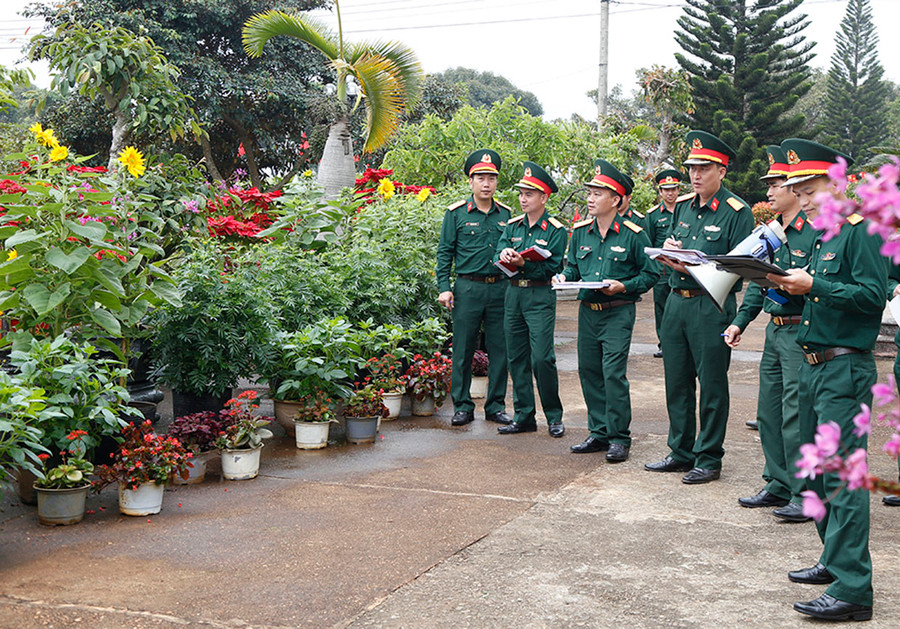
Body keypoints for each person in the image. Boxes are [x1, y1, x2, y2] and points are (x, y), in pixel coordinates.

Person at [772, 138, 884, 622]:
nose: (804, 200)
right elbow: (823, 296)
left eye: (810, 190)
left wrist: (814, 284)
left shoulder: (861, 232)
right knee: (816, 474)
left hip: (845, 368)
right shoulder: (825, 235)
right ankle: (834, 561)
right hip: (815, 365)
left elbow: (872, 296)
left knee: (840, 478)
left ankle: (854, 590)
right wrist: (782, 282)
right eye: (798, 191)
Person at [644, 130, 754, 484]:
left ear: (721, 171)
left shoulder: (737, 212)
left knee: (712, 385)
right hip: (676, 301)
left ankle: (708, 457)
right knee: (676, 381)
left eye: (704, 168)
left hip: (711, 307)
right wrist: (672, 251)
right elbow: (677, 245)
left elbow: (739, 269)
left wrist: (694, 266)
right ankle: (680, 450)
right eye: (692, 168)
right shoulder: (683, 206)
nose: (695, 174)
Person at [722, 146, 816, 522]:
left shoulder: (814, 232)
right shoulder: (770, 233)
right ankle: (778, 481)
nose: (769, 192)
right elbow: (757, 283)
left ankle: (804, 492)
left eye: (776, 185)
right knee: (769, 411)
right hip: (775, 332)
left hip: (800, 332)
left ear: (795, 189)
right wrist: (740, 321)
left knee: (796, 413)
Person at [555, 159, 658, 462]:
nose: (590, 198)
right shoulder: (580, 232)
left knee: (613, 373)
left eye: (597, 194)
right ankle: (598, 432)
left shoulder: (633, 234)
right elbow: (574, 268)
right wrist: (563, 277)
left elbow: (651, 274)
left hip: (618, 310)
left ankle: (619, 437)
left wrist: (624, 286)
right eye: (589, 193)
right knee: (589, 371)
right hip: (589, 311)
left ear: (615, 200)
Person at [436, 149, 513, 427]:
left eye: (491, 178)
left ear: (496, 182)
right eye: (480, 178)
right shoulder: (456, 214)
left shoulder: (506, 214)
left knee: (500, 350)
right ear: (471, 181)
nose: (486, 184)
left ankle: (495, 406)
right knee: (463, 349)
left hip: (499, 289)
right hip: (467, 288)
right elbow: (444, 252)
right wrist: (444, 287)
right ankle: (462, 406)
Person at [495, 161, 568, 437]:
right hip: (514, 294)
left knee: (542, 358)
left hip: (539, 295)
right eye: (521, 194)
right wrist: (504, 255)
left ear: (544, 198)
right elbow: (499, 249)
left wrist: (524, 263)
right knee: (517, 357)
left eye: (529, 194)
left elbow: (554, 266)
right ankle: (524, 415)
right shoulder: (513, 225)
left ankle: (554, 416)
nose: (523, 199)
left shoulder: (555, 230)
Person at [645, 169, 683, 358]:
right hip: (662, 271)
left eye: (673, 189)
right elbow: (648, 245)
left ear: (679, 190)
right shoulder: (652, 215)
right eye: (666, 190)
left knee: (682, 307)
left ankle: (681, 343)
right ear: (660, 192)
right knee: (662, 309)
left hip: (683, 269)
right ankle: (664, 344)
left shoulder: (686, 210)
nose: (670, 193)